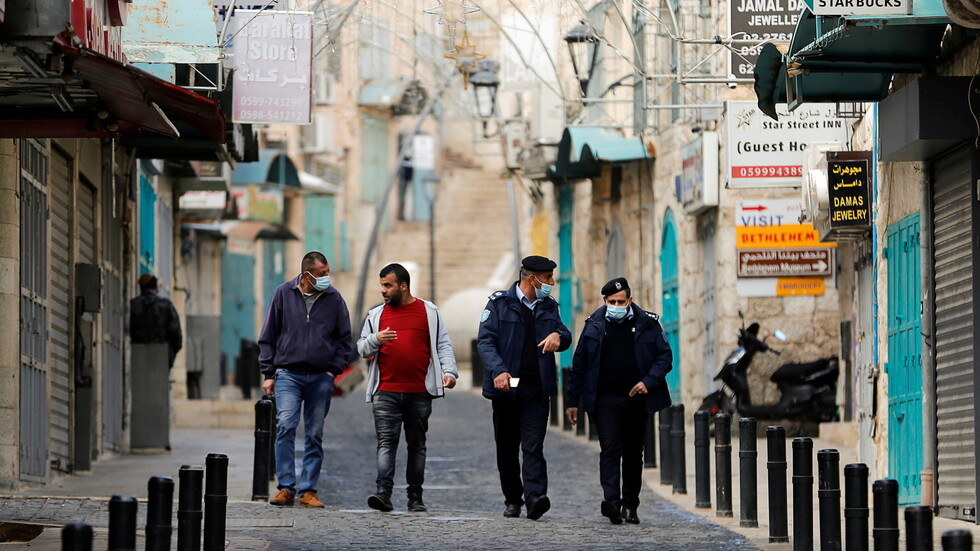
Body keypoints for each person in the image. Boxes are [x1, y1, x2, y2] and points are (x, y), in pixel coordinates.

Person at [565, 277, 673, 525]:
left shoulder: (648, 324)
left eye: (620, 301)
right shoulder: (593, 325)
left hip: (637, 399)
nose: (616, 305)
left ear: (630, 300)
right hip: (605, 399)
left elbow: (664, 358)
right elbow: (579, 365)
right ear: (605, 301)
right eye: (612, 301)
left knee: (634, 453)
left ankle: (630, 505)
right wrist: (573, 402)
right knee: (610, 449)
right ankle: (612, 502)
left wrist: (648, 381)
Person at [357, 263, 458, 513]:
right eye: (382, 285)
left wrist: (450, 371)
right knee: (386, 442)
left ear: (403, 286)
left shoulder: (429, 311)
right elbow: (361, 348)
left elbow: (443, 344)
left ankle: (415, 498)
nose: (383, 291)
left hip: (419, 391)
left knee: (417, 444)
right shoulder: (376, 315)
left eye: (388, 285)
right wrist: (375, 339)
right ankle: (383, 494)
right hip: (386, 391)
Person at [477, 255, 572, 520]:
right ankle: (512, 499)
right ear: (532, 278)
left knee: (533, 447)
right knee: (507, 449)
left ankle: (535, 498)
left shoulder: (548, 306)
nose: (552, 283)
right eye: (548, 278)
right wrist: (499, 370)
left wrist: (558, 336)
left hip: (536, 388)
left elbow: (565, 335)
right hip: (506, 388)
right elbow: (485, 341)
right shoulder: (499, 304)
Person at [259, 251, 352, 509]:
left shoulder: (334, 298)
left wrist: (334, 370)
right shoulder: (283, 294)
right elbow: (268, 334)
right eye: (323, 274)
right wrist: (268, 373)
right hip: (288, 373)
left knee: (314, 433)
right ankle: (286, 488)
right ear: (307, 274)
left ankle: (308, 490)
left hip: (321, 377)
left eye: (328, 272)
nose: (327, 278)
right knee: (285, 425)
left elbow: (345, 338)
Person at [129, 273, 183, 368]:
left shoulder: (133, 305)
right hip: (162, 356)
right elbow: (176, 335)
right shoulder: (166, 305)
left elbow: (126, 331)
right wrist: (170, 355)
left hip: (138, 356)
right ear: (156, 287)